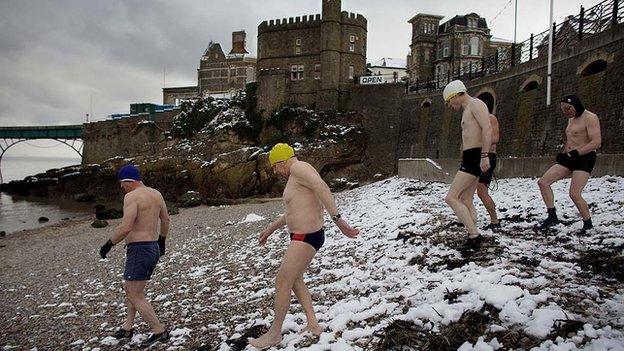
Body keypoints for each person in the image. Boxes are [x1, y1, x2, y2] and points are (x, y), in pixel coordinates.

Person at [249, 143, 360, 349]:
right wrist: (270, 229)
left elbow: (322, 187)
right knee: (294, 279)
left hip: (306, 237)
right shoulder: (297, 174)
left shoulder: (298, 168)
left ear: (282, 160)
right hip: (304, 236)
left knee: (282, 282)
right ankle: (313, 324)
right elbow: (293, 211)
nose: (275, 171)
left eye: (275, 166)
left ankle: (274, 333)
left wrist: (338, 220)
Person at [99, 164, 171, 346]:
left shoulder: (131, 196)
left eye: (122, 183)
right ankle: (127, 327)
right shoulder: (156, 193)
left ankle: (159, 331)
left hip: (139, 249)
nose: (122, 187)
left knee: (134, 294)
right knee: (134, 290)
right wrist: (162, 241)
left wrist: (109, 244)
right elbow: (165, 219)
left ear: (128, 182)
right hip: (152, 247)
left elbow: (126, 227)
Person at [537, 95, 601, 233]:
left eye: (568, 108)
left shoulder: (590, 117)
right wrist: (564, 153)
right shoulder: (571, 119)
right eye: (563, 109)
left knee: (574, 194)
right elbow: (571, 139)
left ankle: (587, 224)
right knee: (543, 182)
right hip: (571, 157)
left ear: (576, 105)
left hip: (585, 158)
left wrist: (576, 153)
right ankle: (552, 216)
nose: (566, 112)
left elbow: (596, 142)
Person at [442, 80, 492, 245]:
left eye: (449, 101)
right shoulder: (468, 109)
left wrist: (485, 155)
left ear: (455, 95)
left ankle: (474, 235)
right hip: (471, 156)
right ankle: (473, 231)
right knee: (466, 199)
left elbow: (487, 128)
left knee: (451, 198)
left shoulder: (475, 104)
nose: (449, 105)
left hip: (476, 156)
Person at [475, 96, 501, 231]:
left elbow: (495, 138)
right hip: (476, 156)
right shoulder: (477, 119)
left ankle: (495, 220)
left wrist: (480, 143)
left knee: (482, 191)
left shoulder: (491, 118)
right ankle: (468, 218)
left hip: (488, 157)